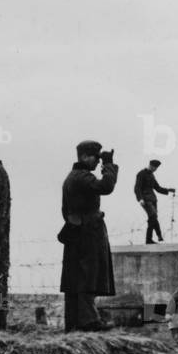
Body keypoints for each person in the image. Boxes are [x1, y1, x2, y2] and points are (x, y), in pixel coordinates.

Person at [59, 140, 118, 331]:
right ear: (84, 157)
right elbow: (106, 187)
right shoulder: (81, 177)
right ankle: (89, 320)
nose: (96, 161)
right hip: (88, 232)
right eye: (96, 156)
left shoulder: (71, 178)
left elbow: (65, 209)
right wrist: (108, 165)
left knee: (76, 276)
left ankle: (75, 322)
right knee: (88, 275)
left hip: (77, 231)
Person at [134, 160, 175, 244]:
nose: (155, 169)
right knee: (153, 216)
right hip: (145, 199)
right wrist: (140, 199)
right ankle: (150, 239)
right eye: (154, 167)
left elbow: (158, 188)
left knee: (153, 218)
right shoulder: (141, 174)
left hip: (153, 200)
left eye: (156, 168)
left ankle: (158, 237)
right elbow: (137, 188)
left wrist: (168, 190)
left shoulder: (152, 175)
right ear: (150, 165)